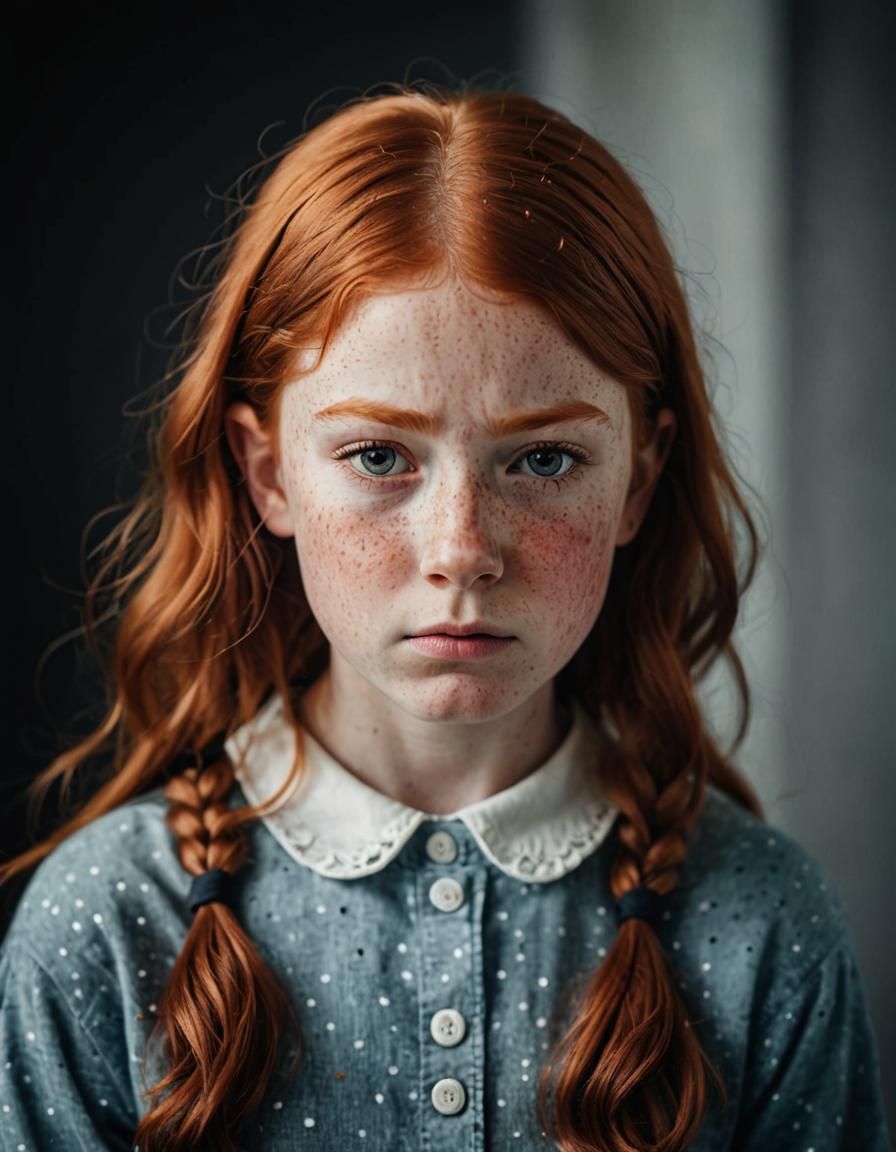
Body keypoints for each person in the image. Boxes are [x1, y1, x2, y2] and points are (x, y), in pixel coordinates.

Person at [0, 79, 890, 1152]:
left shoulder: (758, 924)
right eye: (377, 456)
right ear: (266, 472)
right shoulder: (103, 925)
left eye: (545, 458)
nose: (461, 549)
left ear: (638, 483)